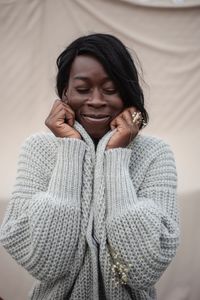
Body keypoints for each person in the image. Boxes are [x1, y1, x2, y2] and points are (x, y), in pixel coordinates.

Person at [0, 33, 180, 300]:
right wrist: (70, 150)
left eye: (110, 89)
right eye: (83, 89)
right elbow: (45, 263)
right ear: (64, 94)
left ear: (127, 92)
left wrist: (116, 156)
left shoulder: (156, 154)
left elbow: (143, 270)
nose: (96, 100)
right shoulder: (37, 149)